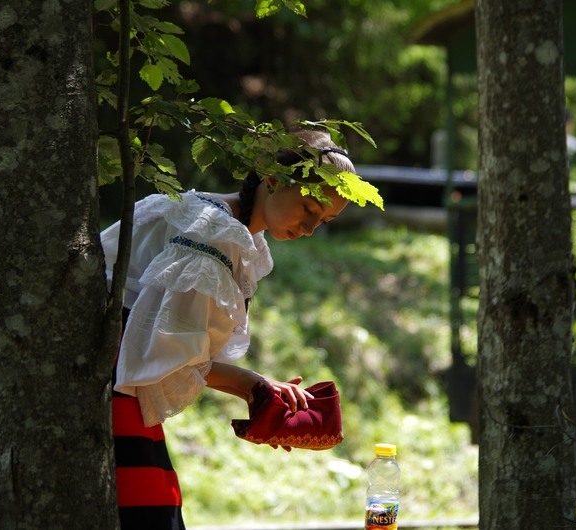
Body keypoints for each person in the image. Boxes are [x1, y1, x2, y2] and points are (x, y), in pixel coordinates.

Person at [100, 127, 375, 529]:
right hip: (105, 382)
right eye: (308, 209)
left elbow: (168, 348)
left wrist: (260, 389)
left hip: (113, 374)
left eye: (324, 220)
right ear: (273, 179)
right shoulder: (214, 235)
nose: (309, 228)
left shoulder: (212, 219)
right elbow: (160, 354)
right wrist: (252, 385)